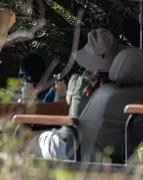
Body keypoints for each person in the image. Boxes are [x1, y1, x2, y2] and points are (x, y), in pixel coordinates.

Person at [29, 28, 127, 160]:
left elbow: (69, 103)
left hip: (72, 147)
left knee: (28, 140)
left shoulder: (79, 83)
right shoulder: (131, 90)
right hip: (112, 149)